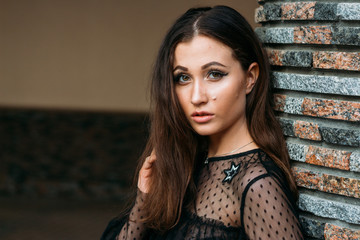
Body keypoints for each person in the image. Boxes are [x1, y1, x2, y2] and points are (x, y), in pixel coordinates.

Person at [101, 5, 304, 240]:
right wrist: (143, 201)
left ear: (250, 78)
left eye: (214, 74)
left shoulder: (257, 185)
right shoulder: (189, 162)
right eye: (183, 78)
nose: (197, 97)